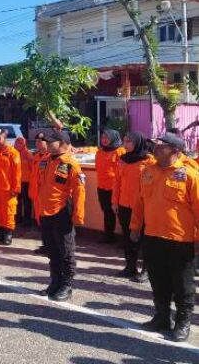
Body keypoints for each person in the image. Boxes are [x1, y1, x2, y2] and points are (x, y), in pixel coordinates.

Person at [130, 133, 199, 342]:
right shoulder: (147, 171)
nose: (156, 148)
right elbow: (139, 202)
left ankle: (182, 321)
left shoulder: (190, 175)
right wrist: (135, 227)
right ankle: (162, 316)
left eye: (162, 145)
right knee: (158, 280)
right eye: (156, 144)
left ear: (175, 151)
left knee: (182, 283)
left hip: (180, 239)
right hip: (152, 236)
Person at [36, 131, 85, 302]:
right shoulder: (44, 161)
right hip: (45, 212)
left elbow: (79, 192)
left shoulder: (71, 164)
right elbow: (40, 187)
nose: (47, 144)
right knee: (51, 250)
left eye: (51, 142)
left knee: (66, 251)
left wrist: (78, 215)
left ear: (63, 143)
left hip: (62, 212)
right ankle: (55, 281)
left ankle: (67, 284)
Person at [112, 132, 154, 283]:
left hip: (143, 207)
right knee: (128, 238)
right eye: (124, 141)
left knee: (144, 239)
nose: (125, 144)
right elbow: (117, 182)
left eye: (129, 141)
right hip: (124, 204)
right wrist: (114, 202)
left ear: (138, 142)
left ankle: (147, 270)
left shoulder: (149, 161)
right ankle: (130, 267)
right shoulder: (122, 160)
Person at [0, 128, 21, 245]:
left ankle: (8, 234)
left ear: (5, 138)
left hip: (9, 189)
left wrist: (16, 188)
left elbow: (17, 172)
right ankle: (1, 232)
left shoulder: (13, 153)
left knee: (8, 212)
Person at [95, 129, 125, 244]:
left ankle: (125, 239)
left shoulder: (120, 151)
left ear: (113, 138)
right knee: (107, 212)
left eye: (107, 137)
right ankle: (109, 236)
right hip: (102, 187)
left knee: (122, 214)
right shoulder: (100, 152)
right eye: (103, 137)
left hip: (116, 188)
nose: (104, 140)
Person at [28, 132, 49, 255]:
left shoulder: (50, 157)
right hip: (36, 195)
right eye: (36, 141)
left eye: (40, 141)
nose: (38, 143)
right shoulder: (36, 157)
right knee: (40, 220)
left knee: (47, 222)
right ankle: (46, 245)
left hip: (45, 196)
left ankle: (50, 246)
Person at [14, 136, 34, 227]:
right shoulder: (14, 154)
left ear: (24, 144)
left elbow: (33, 168)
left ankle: (27, 221)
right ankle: (18, 218)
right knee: (17, 202)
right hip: (16, 182)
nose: (18, 145)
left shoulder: (28, 154)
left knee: (27, 202)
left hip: (26, 182)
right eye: (17, 143)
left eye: (20, 143)